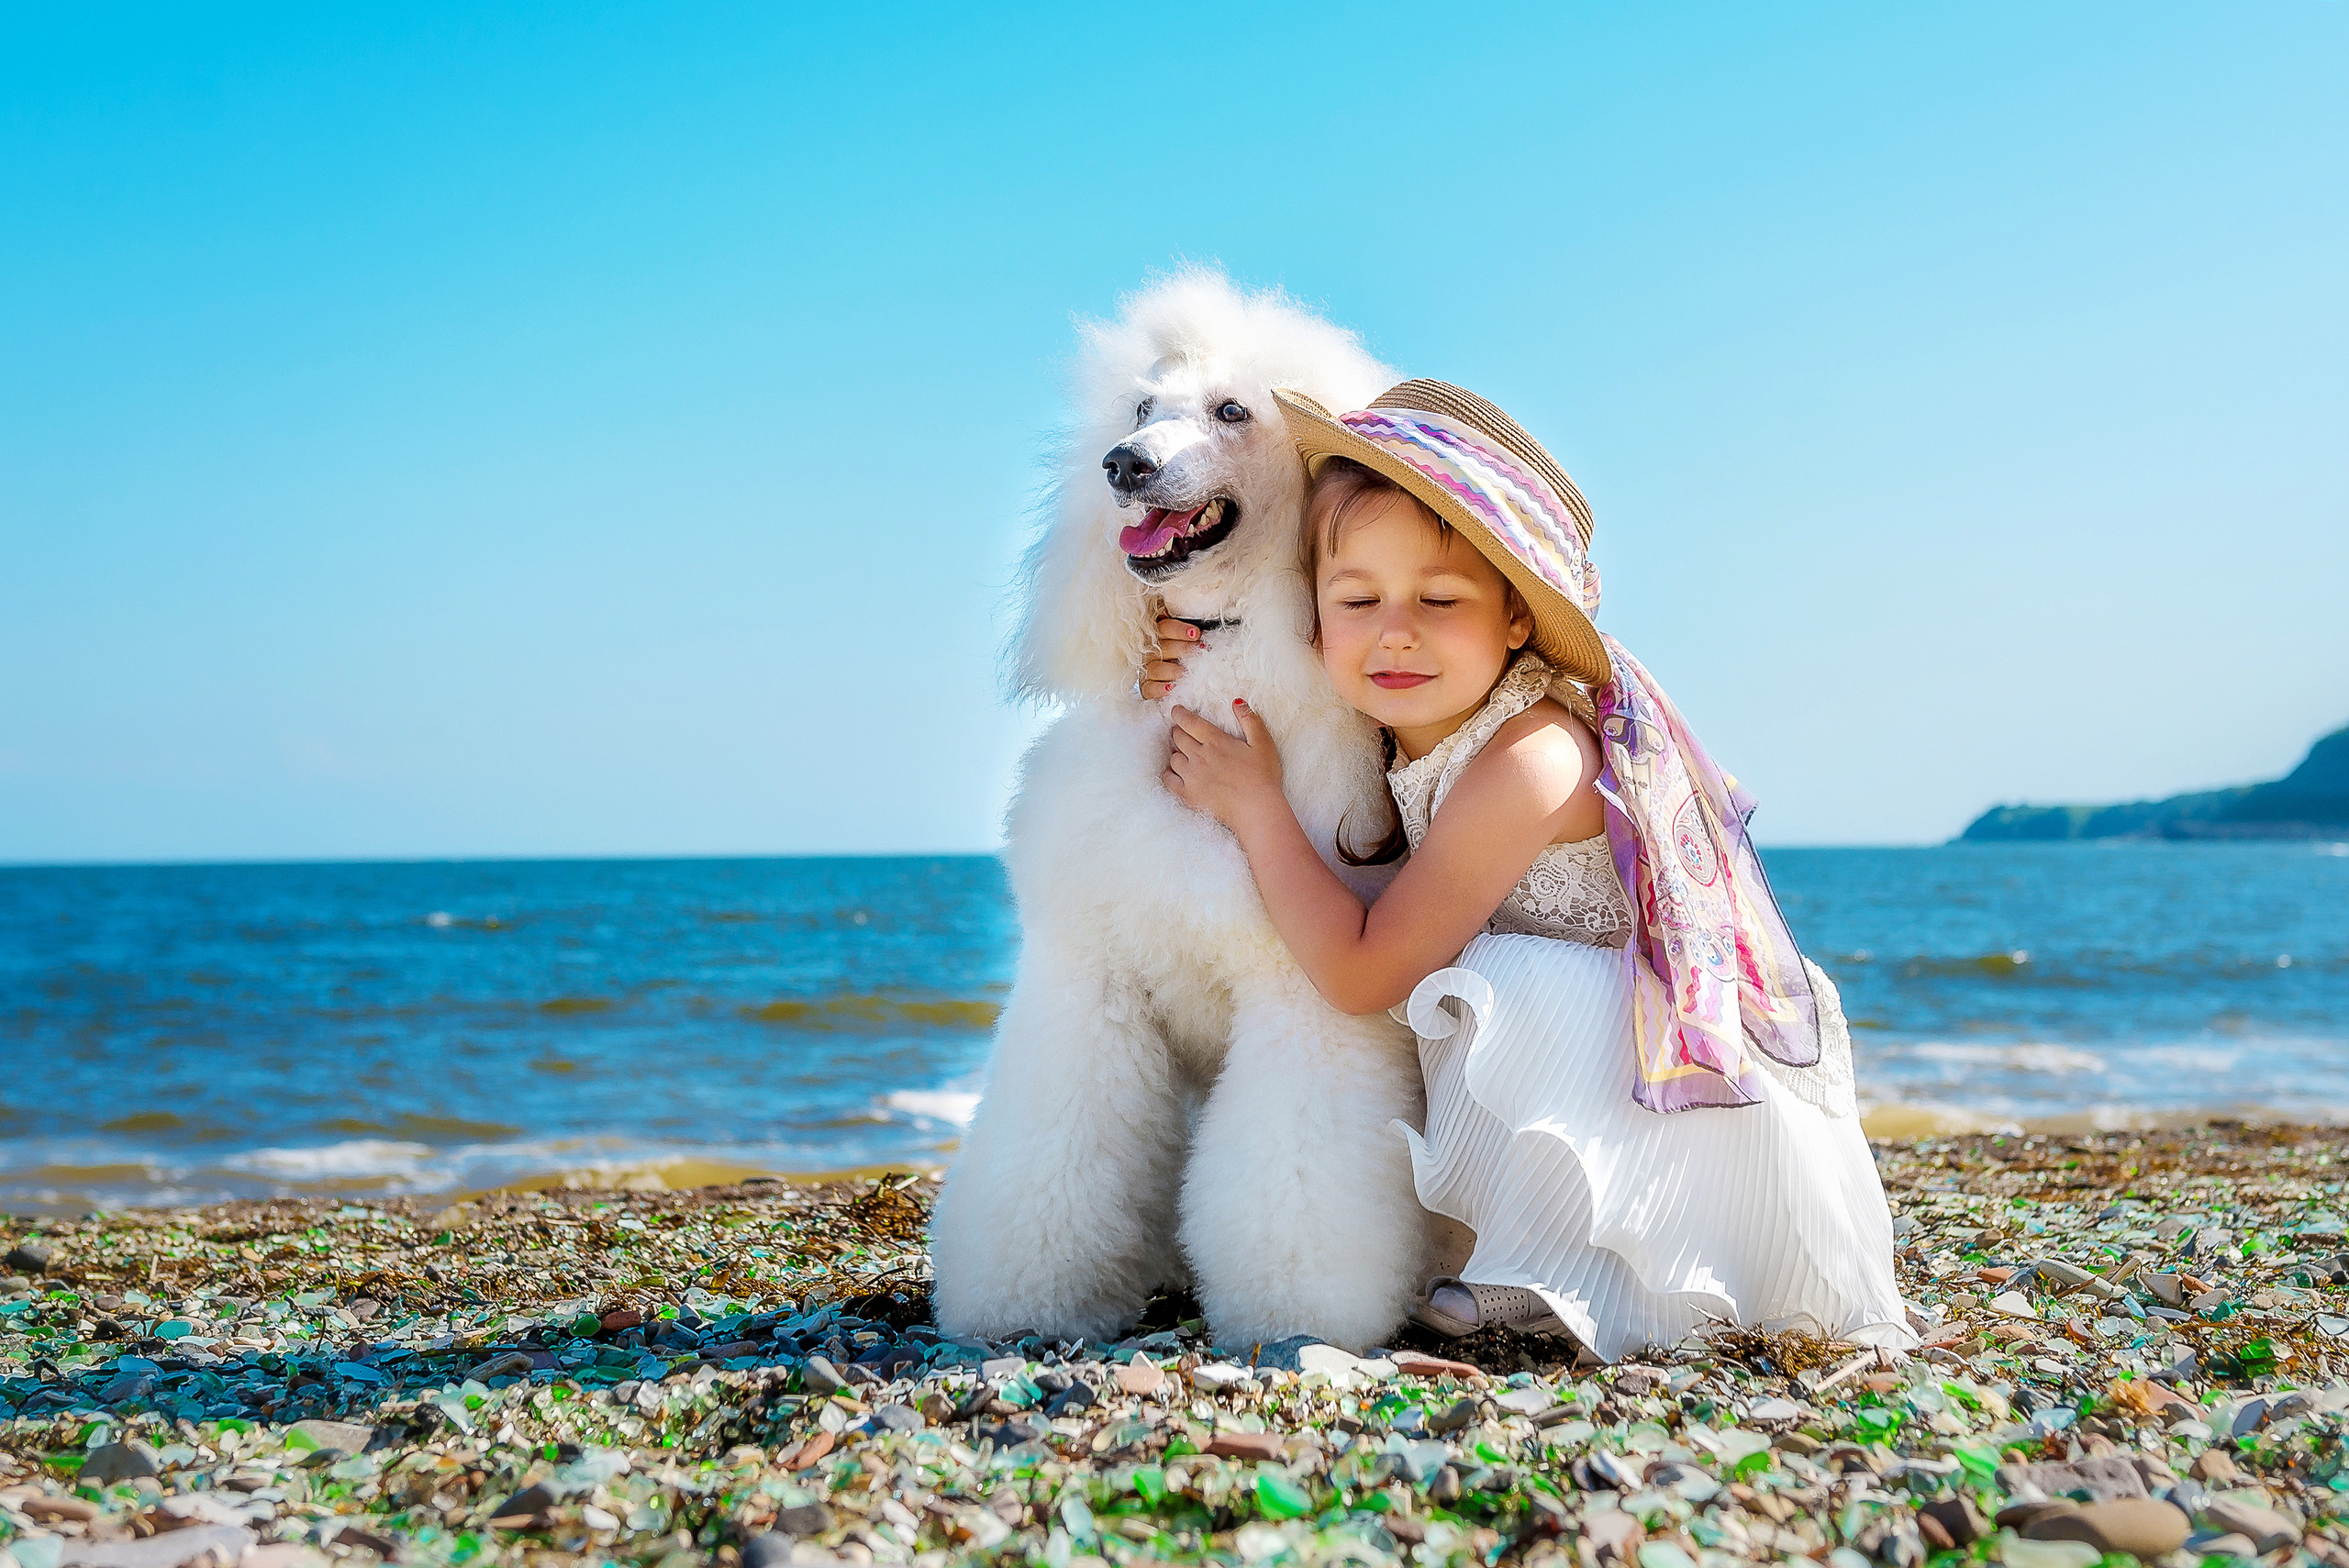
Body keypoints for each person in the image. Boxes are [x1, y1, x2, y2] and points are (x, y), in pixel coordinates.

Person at [1145, 380, 1913, 1360]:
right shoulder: (1408, 712)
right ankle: (1512, 1249)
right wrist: (1179, 654)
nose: (1394, 632)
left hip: (1669, 1114)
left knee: (1494, 983)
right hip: (1607, 1081)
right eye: (1356, 598)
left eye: (1438, 598)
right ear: (1314, 615)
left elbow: (1361, 972)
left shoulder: (1528, 757)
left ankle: (1553, 1276)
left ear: (1516, 617)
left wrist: (1254, 807)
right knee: (1480, 986)